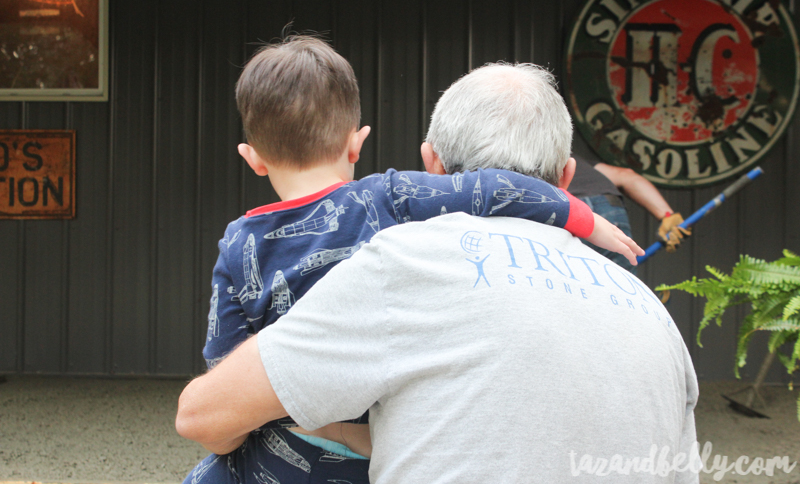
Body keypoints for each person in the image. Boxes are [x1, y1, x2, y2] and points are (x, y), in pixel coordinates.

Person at [177, 63, 698, 484]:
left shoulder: (405, 259)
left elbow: (203, 417)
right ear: (567, 177)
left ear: (431, 165)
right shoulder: (655, 317)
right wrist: (584, 218)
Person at [569, 155, 690, 272]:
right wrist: (667, 216)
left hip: (570, 208)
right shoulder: (579, 162)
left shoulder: (554, 155)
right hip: (609, 207)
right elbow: (626, 176)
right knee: (620, 286)